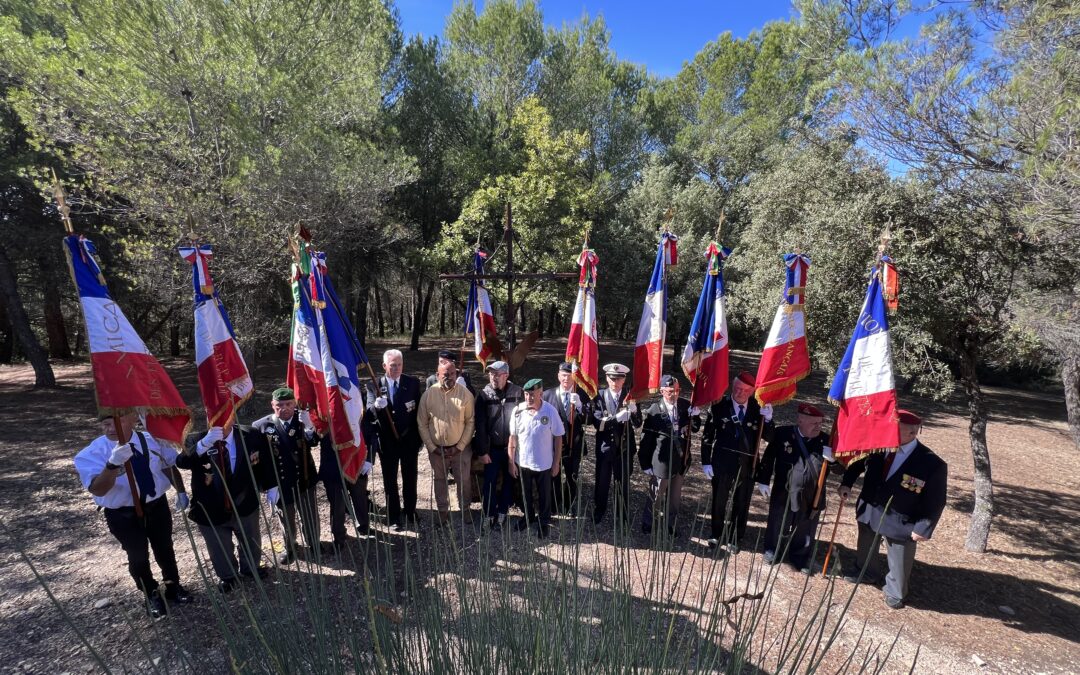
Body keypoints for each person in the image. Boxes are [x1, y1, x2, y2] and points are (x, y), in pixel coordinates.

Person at [74, 412, 193, 619]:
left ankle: (173, 586)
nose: (110, 428)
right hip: (123, 513)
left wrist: (180, 491)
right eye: (105, 424)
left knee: (165, 548)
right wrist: (112, 464)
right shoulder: (93, 453)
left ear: (132, 420)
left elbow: (167, 466)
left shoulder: (152, 440)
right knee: (137, 555)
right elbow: (98, 489)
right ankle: (151, 593)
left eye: (116, 422)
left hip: (156, 505)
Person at [839, 410, 947, 609]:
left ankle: (896, 591)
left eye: (895, 430)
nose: (888, 434)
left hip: (902, 518)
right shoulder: (878, 447)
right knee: (866, 544)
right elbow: (857, 465)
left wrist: (924, 527)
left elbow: (936, 499)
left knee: (899, 557)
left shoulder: (931, 463)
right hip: (870, 509)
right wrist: (846, 484)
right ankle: (866, 572)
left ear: (912, 434)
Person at [177, 421, 272, 593]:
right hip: (211, 506)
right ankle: (228, 576)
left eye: (224, 417)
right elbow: (182, 462)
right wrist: (204, 443)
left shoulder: (250, 434)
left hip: (245, 501)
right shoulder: (196, 439)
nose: (219, 422)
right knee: (218, 545)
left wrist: (271, 486)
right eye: (212, 416)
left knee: (251, 538)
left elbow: (264, 460)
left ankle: (250, 568)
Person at [700, 371, 774, 551]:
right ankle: (716, 534)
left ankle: (735, 537)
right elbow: (707, 436)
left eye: (745, 390)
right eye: (737, 388)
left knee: (742, 502)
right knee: (719, 500)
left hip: (747, 464)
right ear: (733, 386)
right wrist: (706, 461)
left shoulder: (758, 409)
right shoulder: (719, 406)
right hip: (722, 462)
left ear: (752, 391)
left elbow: (770, 437)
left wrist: (770, 420)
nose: (740, 392)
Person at [755, 403, 833, 571]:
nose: (818, 426)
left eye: (820, 423)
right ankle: (771, 549)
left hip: (813, 494)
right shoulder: (783, 434)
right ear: (800, 420)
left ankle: (799, 556)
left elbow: (840, 470)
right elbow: (769, 458)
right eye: (814, 423)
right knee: (777, 521)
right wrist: (763, 480)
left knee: (806, 526)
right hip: (785, 490)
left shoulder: (826, 441)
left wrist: (834, 459)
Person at [251, 388, 321, 564]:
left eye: (289, 404)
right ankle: (290, 547)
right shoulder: (261, 426)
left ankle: (313, 542)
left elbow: (313, 442)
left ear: (294, 404)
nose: (284, 408)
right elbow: (259, 461)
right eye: (279, 405)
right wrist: (268, 486)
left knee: (309, 514)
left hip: (304, 477)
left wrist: (310, 427)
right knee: (286, 518)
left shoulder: (303, 420)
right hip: (280, 482)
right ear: (272, 405)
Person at [366, 349, 423, 531]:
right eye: (392, 365)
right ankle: (394, 515)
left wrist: (419, 438)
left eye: (399, 364)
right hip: (387, 441)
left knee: (410, 477)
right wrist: (375, 406)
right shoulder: (374, 385)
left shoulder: (412, 383)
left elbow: (419, 412)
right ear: (384, 366)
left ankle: (410, 510)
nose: (397, 368)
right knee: (389, 479)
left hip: (408, 439)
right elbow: (368, 412)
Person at [417, 357, 476, 526]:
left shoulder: (465, 394)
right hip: (437, 450)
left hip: (460, 449)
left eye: (452, 373)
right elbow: (422, 423)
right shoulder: (428, 395)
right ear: (437, 375)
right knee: (440, 480)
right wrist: (431, 446)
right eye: (445, 374)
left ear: (457, 374)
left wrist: (460, 446)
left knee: (464, 480)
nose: (449, 377)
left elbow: (470, 422)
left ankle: (465, 510)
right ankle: (442, 512)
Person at [638, 375, 697, 537]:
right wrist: (645, 464)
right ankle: (648, 522)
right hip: (660, 462)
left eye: (677, 391)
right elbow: (646, 441)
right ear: (662, 391)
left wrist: (696, 415)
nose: (674, 394)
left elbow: (695, 428)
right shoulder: (654, 410)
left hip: (681, 459)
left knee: (675, 497)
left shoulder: (686, 406)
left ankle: (670, 524)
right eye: (670, 391)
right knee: (655, 495)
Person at [320, 394, 378, 549]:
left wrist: (369, 459)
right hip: (333, 465)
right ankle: (339, 537)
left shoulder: (357, 406)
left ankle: (364, 526)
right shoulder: (324, 408)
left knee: (360, 497)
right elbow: (315, 436)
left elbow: (371, 434)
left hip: (357, 461)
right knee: (337, 504)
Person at [508, 378, 564, 537]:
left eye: (533, 394)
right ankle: (528, 517)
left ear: (541, 393)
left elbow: (559, 437)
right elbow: (513, 438)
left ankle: (544, 522)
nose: (529, 398)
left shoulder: (550, 411)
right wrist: (511, 461)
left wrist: (556, 463)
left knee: (544, 495)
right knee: (525, 494)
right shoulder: (518, 411)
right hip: (523, 461)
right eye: (526, 394)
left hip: (544, 463)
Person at [473, 361, 524, 531]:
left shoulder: (518, 392)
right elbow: (479, 425)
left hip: (512, 448)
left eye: (497, 374)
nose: (493, 377)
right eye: (491, 374)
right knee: (489, 482)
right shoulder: (483, 395)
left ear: (506, 375)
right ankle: (488, 514)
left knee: (509, 481)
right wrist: (482, 450)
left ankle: (503, 512)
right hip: (492, 448)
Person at [590, 363, 642, 526]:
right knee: (602, 482)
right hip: (605, 448)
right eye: (612, 378)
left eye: (619, 379)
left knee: (623, 483)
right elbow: (598, 423)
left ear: (624, 379)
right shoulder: (599, 396)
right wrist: (616, 419)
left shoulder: (630, 395)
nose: (615, 382)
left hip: (625, 449)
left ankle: (623, 514)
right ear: (607, 378)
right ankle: (599, 510)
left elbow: (638, 423)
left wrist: (634, 411)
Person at [542, 362, 588, 516]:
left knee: (572, 476)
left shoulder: (582, 394)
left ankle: (570, 505)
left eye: (569, 375)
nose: (566, 378)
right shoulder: (547, 395)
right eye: (563, 375)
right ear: (558, 376)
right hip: (553, 446)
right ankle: (554, 505)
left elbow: (590, 420)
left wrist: (581, 406)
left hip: (574, 444)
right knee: (553, 474)